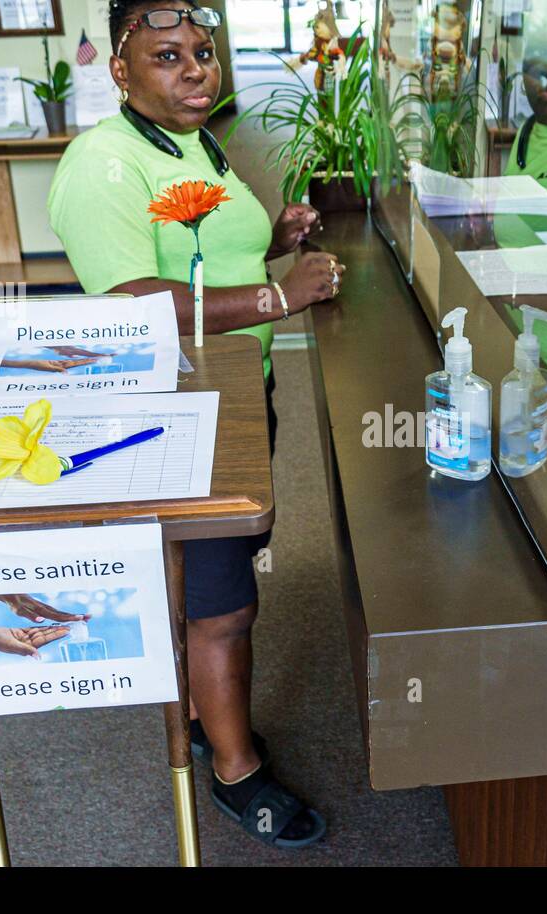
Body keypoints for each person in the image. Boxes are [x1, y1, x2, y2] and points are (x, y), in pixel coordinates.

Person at [48, 1, 340, 848]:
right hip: (171, 417)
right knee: (220, 605)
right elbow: (133, 303)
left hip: (236, 393)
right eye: (167, 55)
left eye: (203, 54)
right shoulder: (101, 163)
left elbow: (206, 251)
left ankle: (205, 715)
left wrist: (271, 242)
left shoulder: (192, 143)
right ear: (120, 70)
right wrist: (277, 296)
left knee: (218, 576)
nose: (193, 71)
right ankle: (232, 768)